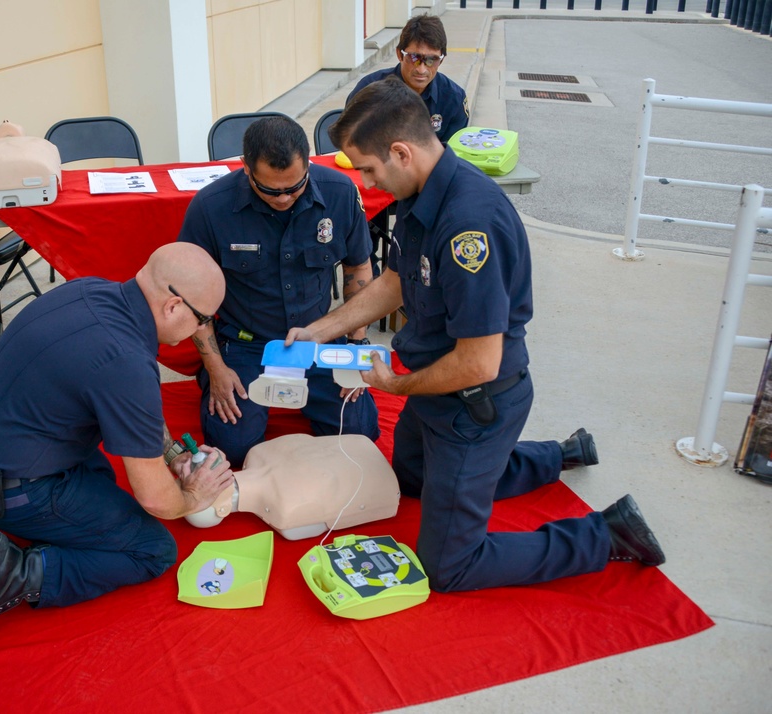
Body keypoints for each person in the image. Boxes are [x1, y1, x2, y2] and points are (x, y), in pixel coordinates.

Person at [285, 76, 666, 593]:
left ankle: (608, 533)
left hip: (473, 399)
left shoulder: (469, 224)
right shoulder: (420, 191)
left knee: (447, 567)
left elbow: (479, 363)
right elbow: (396, 280)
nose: (368, 184)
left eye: (370, 170)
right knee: (412, 476)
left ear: (400, 152)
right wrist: (320, 330)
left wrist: (395, 387)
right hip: (434, 383)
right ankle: (560, 454)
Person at [0, 243, 235, 652]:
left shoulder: (88, 291)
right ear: (173, 306)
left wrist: (172, 454)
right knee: (153, 549)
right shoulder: (127, 360)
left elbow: (135, 410)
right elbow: (155, 499)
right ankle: (19, 572)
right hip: (5, 489)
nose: (201, 331)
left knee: (99, 475)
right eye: (202, 321)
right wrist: (193, 495)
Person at [177, 115, 379, 467]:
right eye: (270, 189)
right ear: (245, 168)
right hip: (245, 344)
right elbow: (190, 298)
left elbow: (359, 268)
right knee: (232, 449)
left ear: (308, 163)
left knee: (359, 434)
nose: (284, 198)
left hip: (320, 340)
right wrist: (217, 368)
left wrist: (356, 346)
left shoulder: (340, 193)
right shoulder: (211, 208)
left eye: (295, 186)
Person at [347, 14, 469, 143]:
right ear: (400, 54)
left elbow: (453, 155)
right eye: (414, 58)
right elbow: (350, 142)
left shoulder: (454, 99)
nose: (422, 70)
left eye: (431, 60)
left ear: (442, 60)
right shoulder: (367, 92)